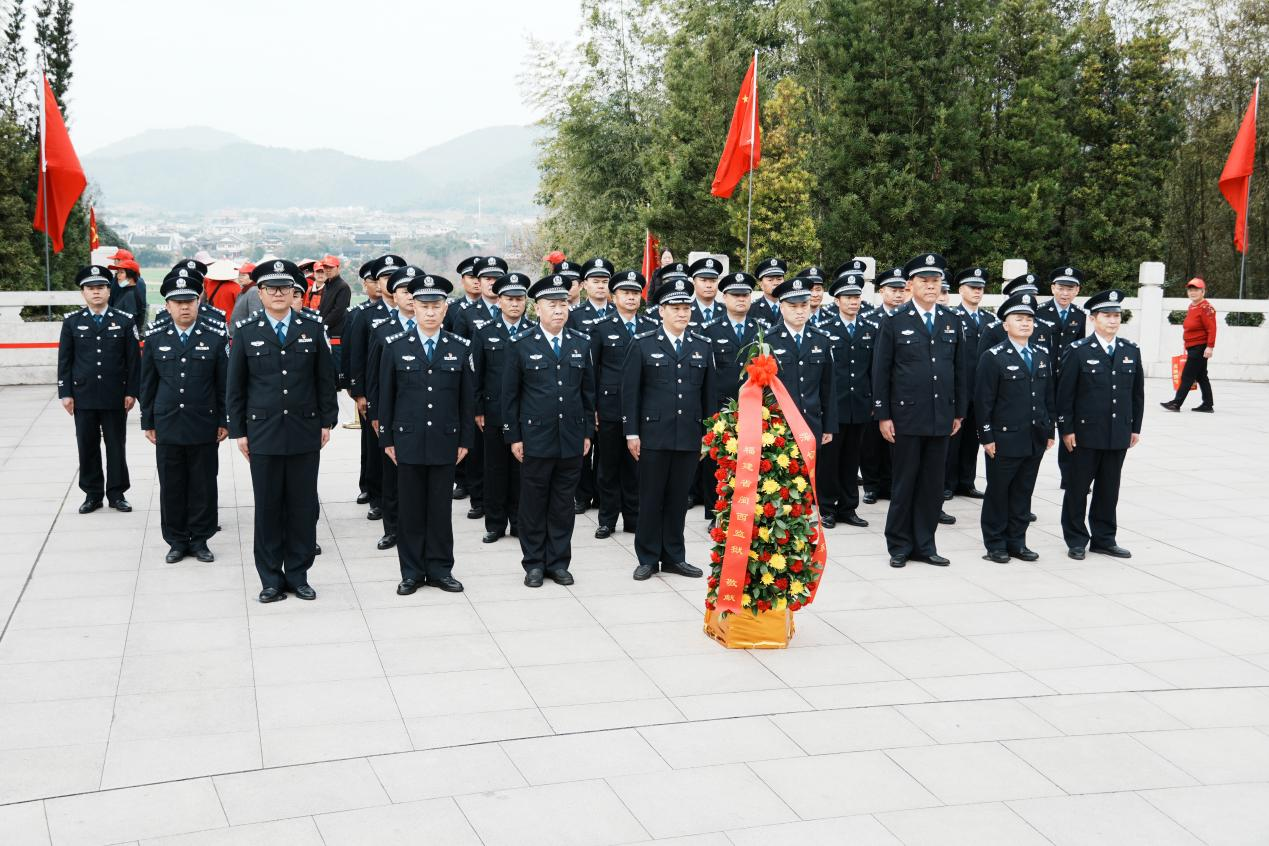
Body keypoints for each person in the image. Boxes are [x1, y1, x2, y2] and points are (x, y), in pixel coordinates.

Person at [227, 259, 338, 602]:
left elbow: (324, 379)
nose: (278, 293)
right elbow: (236, 386)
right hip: (263, 432)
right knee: (268, 507)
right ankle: (271, 578)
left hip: (305, 428)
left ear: (294, 293)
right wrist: (239, 431)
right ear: (259, 293)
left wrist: (327, 421)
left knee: (302, 507)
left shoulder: (311, 328)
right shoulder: (246, 331)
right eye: (271, 288)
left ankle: (299, 574)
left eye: (285, 288)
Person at [377, 268, 471, 595]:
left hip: (446, 440)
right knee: (411, 511)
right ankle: (412, 572)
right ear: (413, 307)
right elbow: (386, 397)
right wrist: (387, 438)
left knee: (440, 511)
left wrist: (465, 439)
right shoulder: (395, 346)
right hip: (408, 440)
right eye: (424, 306)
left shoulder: (459, 347)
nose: (430, 312)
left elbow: (466, 400)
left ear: (445, 309)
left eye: (436, 306)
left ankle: (441, 569)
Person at [872, 253, 967, 568]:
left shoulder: (951, 320)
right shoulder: (895, 320)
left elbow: (959, 369)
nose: (930, 286)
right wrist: (883, 415)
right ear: (910, 285)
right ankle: (899, 545)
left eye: (935, 280)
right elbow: (881, 370)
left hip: (941, 416)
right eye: (924, 280)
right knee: (905, 483)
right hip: (906, 417)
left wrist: (959, 411)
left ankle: (925, 545)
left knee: (932, 486)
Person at [502, 274, 595, 588]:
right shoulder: (520, 344)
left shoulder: (580, 342)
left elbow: (588, 393)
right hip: (535, 438)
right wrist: (514, 436)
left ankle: (558, 562)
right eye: (552, 304)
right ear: (537, 308)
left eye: (563, 304)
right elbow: (510, 396)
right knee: (533, 503)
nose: (559, 310)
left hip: (571, 437)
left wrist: (587, 433)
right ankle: (533, 563)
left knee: (562, 504)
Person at [623, 278, 714, 581]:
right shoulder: (643, 343)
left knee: (677, 500)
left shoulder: (702, 345)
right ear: (661, 311)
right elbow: (630, 393)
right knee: (650, 498)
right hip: (653, 435)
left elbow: (708, 396)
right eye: (675, 308)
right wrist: (632, 433)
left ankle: (674, 556)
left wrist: (708, 435)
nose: (682, 313)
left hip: (688, 435)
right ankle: (648, 558)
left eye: (686, 308)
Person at [139, 268, 229, 563]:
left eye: (189, 301)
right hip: (167, 422)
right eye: (177, 302)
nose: (184, 307)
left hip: (204, 422)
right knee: (172, 485)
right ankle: (176, 540)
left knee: (204, 484)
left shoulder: (215, 337)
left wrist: (224, 420)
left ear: (198, 302)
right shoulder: (155, 338)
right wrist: (148, 421)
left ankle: (200, 539)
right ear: (167, 306)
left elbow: (223, 384)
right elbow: (147, 383)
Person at [1057, 289, 1144, 560]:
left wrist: (1135, 427)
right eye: (1106, 315)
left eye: (1116, 315)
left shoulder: (1130, 350)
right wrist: (1066, 430)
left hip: (1117, 432)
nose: (1113, 320)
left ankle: (1104, 539)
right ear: (1093, 319)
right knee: (1077, 488)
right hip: (1085, 433)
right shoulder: (1078, 351)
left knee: (1109, 489)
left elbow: (1137, 394)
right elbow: (1065, 395)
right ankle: (1076, 539)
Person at [974, 293, 1055, 563]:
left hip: (1034, 437)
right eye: (1018, 319)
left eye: (1029, 319)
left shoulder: (1041, 355)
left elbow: (1048, 397)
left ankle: (1017, 542)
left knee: (1023, 492)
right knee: (999, 492)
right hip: (1004, 437)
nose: (1025, 323)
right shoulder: (993, 357)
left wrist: (1049, 430)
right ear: (1005, 325)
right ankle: (995, 544)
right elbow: (983, 400)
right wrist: (986, 436)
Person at [59, 265, 141, 514]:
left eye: (101, 287)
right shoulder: (72, 322)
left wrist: (131, 391)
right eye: (90, 288)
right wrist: (65, 393)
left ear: (108, 290)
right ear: (83, 292)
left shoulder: (124, 321)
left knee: (116, 445)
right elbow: (65, 360)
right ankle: (92, 494)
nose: (96, 292)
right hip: (83, 395)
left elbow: (133, 361)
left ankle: (117, 493)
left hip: (114, 394)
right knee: (87, 445)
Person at [590, 270, 658, 538]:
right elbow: (592, 371)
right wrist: (593, 407)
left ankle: (633, 517)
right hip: (610, 408)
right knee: (608, 466)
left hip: (642, 409)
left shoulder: (650, 326)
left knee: (636, 466)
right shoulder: (601, 328)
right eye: (625, 293)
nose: (631, 298)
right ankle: (607, 519)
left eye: (635, 293)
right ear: (614, 297)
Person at [472, 273, 536, 543]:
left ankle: (519, 523)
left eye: (519, 299)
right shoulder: (485, 331)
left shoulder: (534, 330)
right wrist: (478, 410)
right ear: (499, 301)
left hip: (526, 412)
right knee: (495, 470)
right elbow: (476, 374)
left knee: (522, 471)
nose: (515, 304)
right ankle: (495, 523)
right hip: (494, 412)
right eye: (509, 299)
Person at [364, 261, 418, 551]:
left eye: (414, 291)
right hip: (395, 416)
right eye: (404, 291)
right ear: (394, 296)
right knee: (393, 473)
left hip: (428, 416)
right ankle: (393, 529)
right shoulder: (383, 330)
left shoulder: (436, 327)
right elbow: (374, 376)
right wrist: (375, 414)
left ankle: (419, 529)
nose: (410, 296)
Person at [819, 270, 877, 529]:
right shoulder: (825, 330)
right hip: (835, 406)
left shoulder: (869, 329)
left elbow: (873, 369)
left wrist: (874, 401)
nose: (854, 302)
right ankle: (827, 507)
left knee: (852, 459)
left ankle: (848, 507)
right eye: (848, 297)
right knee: (830, 460)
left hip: (860, 404)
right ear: (837, 300)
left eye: (857, 297)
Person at [345, 257, 394, 517]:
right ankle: (376, 496)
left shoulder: (415, 313)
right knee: (374, 447)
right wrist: (359, 392)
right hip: (375, 392)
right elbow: (357, 355)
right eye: (384, 278)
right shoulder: (365, 315)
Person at [567, 257, 615, 512]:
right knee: (583, 447)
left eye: (605, 281)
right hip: (582, 390)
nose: (601, 286)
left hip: (610, 394)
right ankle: (582, 495)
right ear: (584, 285)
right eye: (595, 281)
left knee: (607, 452)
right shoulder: (575, 316)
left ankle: (602, 495)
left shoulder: (617, 314)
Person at [766, 276, 836, 443]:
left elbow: (828, 386)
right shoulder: (767, 341)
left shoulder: (821, 339)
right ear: (781, 307)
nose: (800, 311)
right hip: (779, 426)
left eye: (804, 305)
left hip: (812, 422)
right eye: (793, 306)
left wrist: (829, 426)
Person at [1036, 265, 1089, 486]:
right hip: (1043, 378)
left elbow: (1080, 347)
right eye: (1061, 288)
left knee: (1068, 425)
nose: (1065, 293)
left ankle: (1069, 476)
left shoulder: (1079, 315)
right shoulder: (1039, 312)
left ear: (1077, 290)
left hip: (1068, 379)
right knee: (1041, 426)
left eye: (1070, 289)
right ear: (1052, 288)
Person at [860, 265, 907, 505]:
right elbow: (866, 362)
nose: (898, 294)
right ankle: (871, 485)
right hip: (872, 389)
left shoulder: (907, 319)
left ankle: (890, 485)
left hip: (899, 391)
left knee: (895, 440)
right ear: (882, 291)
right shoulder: (869, 319)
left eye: (901, 290)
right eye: (893, 290)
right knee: (871, 443)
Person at [945, 267, 988, 500]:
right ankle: (948, 483)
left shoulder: (989, 320)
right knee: (954, 438)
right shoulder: (952, 318)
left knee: (973, 439)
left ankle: (966, 481)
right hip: (959, 388)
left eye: (980, 288)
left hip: (981, 391)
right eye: (972, 288)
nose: (977, 292)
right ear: (961, 290)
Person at [1161, 277, 1216, 413]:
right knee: (1201, 376)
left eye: (1196, 290)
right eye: (1190, 290)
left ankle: (1176, 403)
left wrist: (1210, 347)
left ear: (1203, 291)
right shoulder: (1192, 306)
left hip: (1200, 347)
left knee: (1187, 376)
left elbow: (1212, 329)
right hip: (1192, 346)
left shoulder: (1206, 308)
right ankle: (1208, 404)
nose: (1192, 293)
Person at [308, 255, 352, 378]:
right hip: (326, 329)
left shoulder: (343, 286)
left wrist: (323, 325)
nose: (327, 270)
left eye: (330, 267)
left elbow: (338, 311)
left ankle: (338, 381)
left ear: (338, 268)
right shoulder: (327, 284)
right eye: (325, 267)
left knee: (336, 359)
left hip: (336, 331)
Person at [688, 256, 723, 328]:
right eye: (703, 280)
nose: (708, 285)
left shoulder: (728, 312)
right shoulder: (685, 312)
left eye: (713, 281)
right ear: (694, 283)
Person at [752, 257, 787, 325]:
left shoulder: (791, 306)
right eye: (770, 280)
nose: (775, 283)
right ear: (761, 284)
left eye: (779, 279)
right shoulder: (751, 308)